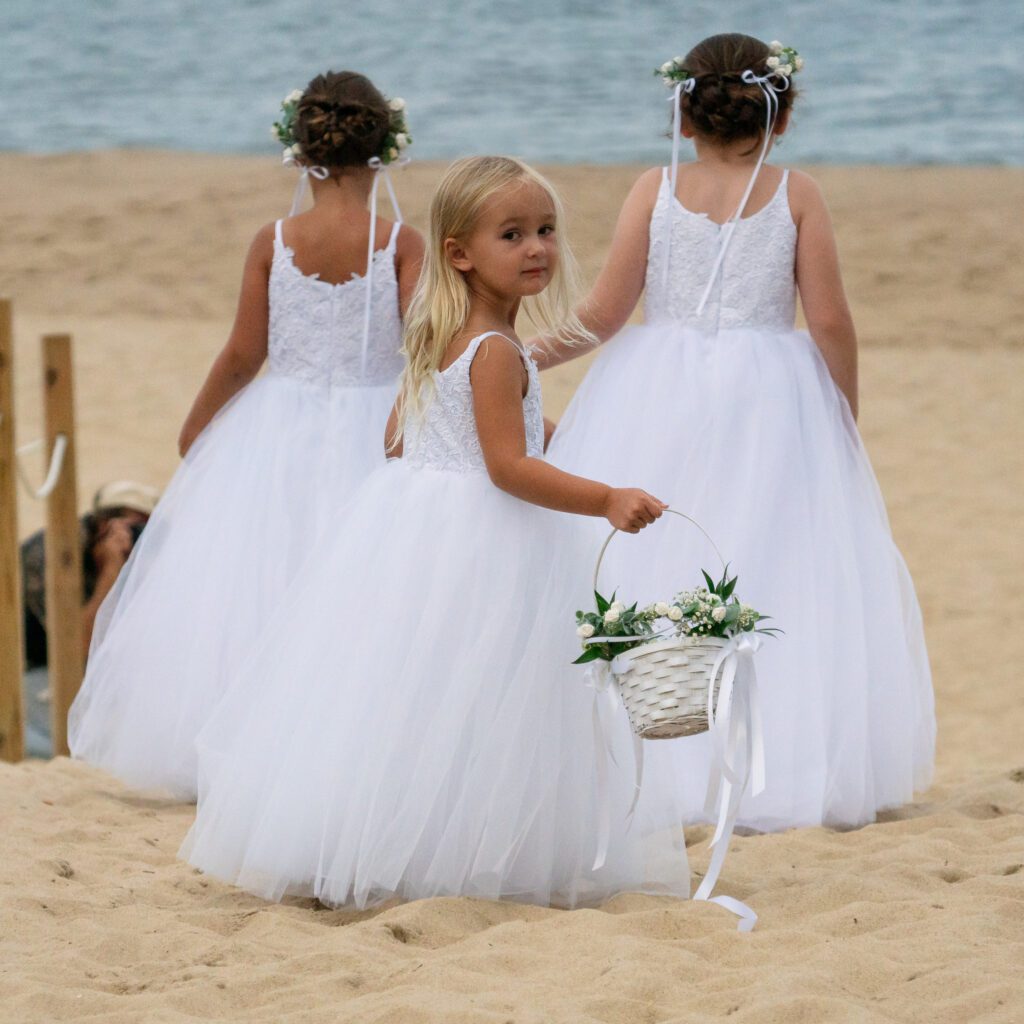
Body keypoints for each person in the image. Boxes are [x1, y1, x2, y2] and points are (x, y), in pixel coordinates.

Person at [181, 156, 691, 911]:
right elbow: (508, 471)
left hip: (415, 531)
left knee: (412, 695)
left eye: (546, 231)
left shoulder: (442, 333)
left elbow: (398, 438)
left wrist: (498, 432)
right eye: (511, 234)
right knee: (484, 695)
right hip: (484, 539)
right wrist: (605, 496)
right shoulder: (494, 350)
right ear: (459, 252)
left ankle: (395, 842)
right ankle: (464, 856)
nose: (537, 249)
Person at [539, 34, 935, 831]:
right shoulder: (797, 194)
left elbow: (605, 314)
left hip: (655, 385)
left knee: (648, 557)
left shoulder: (656, 186)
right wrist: (840, 418)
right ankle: (763, 763)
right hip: (772, 394)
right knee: (772, 561)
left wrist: (521, 355)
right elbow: (828, 320)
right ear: (779, 118)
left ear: (684, 115)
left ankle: (642, 747)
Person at [69, 71, 424, 799]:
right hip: (372, 421)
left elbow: (243, 353)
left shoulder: (276, 239)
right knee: (356, 582)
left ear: (298, 151)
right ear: (384, 149)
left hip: (276, 427)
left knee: (262, 578)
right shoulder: (401, 241)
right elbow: (423, 346)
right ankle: (338, 743)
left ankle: (241, 743)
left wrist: (199, 425)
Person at [20, 481, 158, 757]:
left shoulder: (158, 556)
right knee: (53, 745)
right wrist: (111, 574)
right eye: (119, 518)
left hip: (117, 676)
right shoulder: (53, 553)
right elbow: (74, 653)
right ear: (99, 523)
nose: (131, 536)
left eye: (142, 527)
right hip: (46, 670)